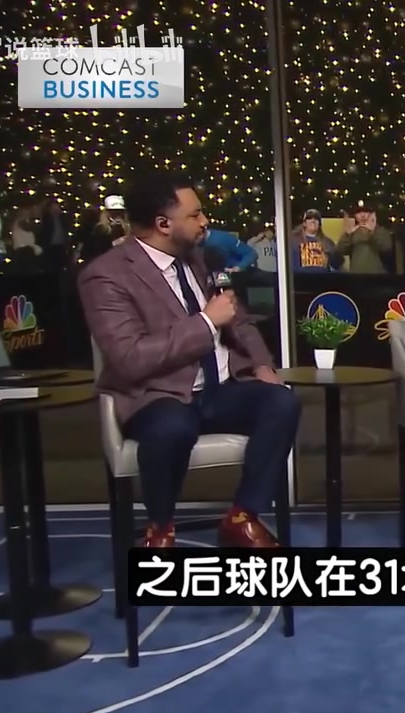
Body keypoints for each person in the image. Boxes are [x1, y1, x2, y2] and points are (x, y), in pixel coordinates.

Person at [78, 171, 301, 550]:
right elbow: (130, 358)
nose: (204, 221)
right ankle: (160, 529)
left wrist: (263, 366)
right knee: (172, 429)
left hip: (220, 388)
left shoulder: (200, 259)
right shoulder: (105, 276)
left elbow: (239, 321)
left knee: (282, 402)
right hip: (158, 395)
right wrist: (205, 322)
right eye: (195, 215)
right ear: (163, 224)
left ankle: (242, 517)